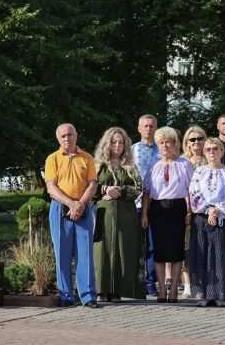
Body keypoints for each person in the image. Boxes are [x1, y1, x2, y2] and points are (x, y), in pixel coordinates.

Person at [45, 123, 99, 308]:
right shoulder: (52, 159)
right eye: (62, 136)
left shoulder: (87, 158)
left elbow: (92, 184)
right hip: (60, 209)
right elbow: (51, 187)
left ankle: (88, 296)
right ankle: (66, 296)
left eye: (70, 135)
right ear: (58, 139)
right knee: (62, 253)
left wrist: (80, 205)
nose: (66, 139)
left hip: (83, 209)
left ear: (76, 135)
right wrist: (71, 204)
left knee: (85, 253)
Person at [141, 127, 193, 302]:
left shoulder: (184, 164)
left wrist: (189, 211)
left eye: (168, 142)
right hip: (157, 209)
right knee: (159, 250)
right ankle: (162, 287)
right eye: (161, 142)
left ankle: (174, 291)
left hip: (178, 208)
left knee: (177, 249)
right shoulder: (153, 165)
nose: (165, 145)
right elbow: (146, 191)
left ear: (175, 144)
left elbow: (192, 190)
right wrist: (144, 215)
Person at [93, 127, 145, 301]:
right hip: (102, 216)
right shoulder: (97, 166)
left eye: (120, 142)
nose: (117, 145)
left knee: (124, 251)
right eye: (114, 142)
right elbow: (87, 188)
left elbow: (139, 189)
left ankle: (118, 291)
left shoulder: (130, 167)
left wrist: (120, 191)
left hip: (126, 217)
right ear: (107, 144)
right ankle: (101, 290)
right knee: (102, 252)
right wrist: (104, 189)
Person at [189, 137, 225, 307]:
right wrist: (209, 210)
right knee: (203, 255)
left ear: (222, 151)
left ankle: (219, 293)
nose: (212, 152)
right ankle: (203, 293)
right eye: (208, 149)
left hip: (222, 219)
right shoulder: (199, 172)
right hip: (202, 218)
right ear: (204, 152)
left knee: (220, 254)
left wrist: (217, 211)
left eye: (215, 149)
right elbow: (194, 195)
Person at [131, 114, 161, 296]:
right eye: (145, 126)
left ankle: (151, 282)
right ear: (139, 129)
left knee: (152, 244)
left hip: (156, 204)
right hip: (135, 203)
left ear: (156, 128)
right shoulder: (132, 149)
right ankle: (136, 281)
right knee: (136, 245)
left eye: (151, 126)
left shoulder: (162, 150)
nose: (148, 129)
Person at [181, 125, 209, 297]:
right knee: (187, 247)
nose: (197, 142)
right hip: (187, 209)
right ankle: (188, 286)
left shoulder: (211, 158)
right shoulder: (182, 161)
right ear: (187, 142)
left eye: (200, 138)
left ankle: (205, 284)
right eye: (192, 139)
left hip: (207, 210)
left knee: (204, 246)